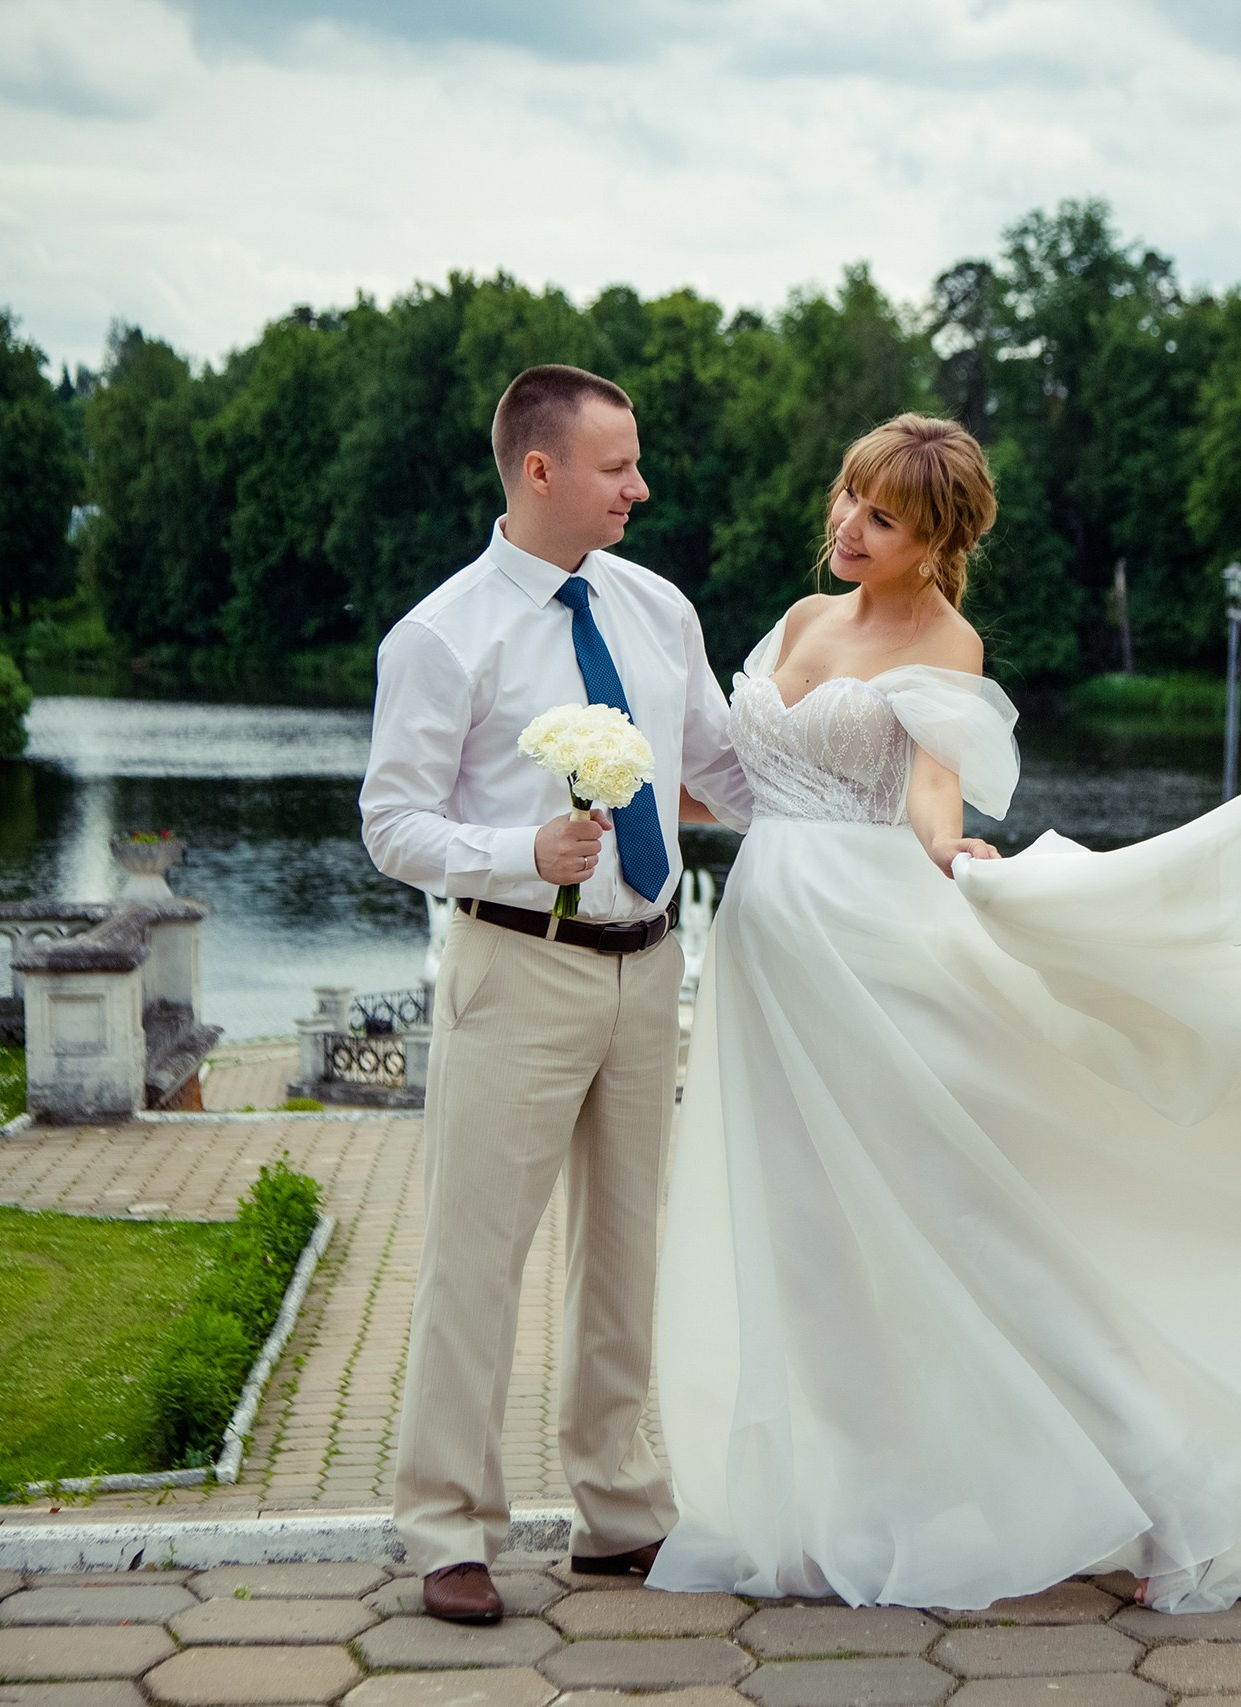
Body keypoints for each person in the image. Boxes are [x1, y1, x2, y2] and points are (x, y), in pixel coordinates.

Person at [648, 413, 1241, 1614]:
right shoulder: (798, 620)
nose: (847, 526)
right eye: (847, 496)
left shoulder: (945, 637)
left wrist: (955, 858)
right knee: (810, 1239)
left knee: (985, 1233)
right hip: (767, 965)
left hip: (871, 953)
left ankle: (1177, 1501)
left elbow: (930, 793)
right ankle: (858, 1506)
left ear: (934, 538)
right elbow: (742, 777)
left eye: (881, 516)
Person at [360, 364, 755, 1624]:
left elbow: (720, 774)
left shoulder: (658, 610)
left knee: (624, 1254)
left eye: (635, 463)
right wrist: (516, 855)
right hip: (513, 965)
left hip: (649, 968)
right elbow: (390, 826)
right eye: (616, 466)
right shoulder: (440, 634)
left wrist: (871, 825)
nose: (640, 486)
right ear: (541, 471)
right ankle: (446, 1527)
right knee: (477, 1258)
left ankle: (619, 1513)